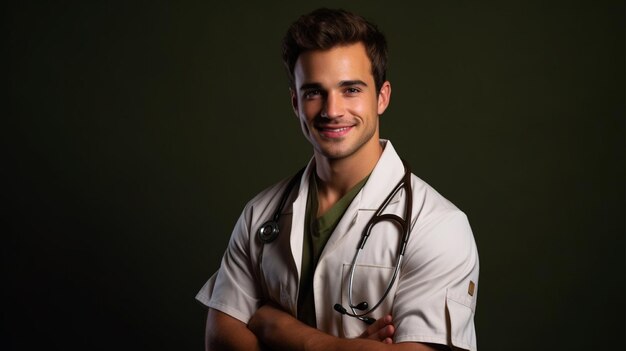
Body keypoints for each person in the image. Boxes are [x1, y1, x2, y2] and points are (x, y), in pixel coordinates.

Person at [196, 8, 479, 351]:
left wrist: (278, 328)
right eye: (314, 92)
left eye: (350, 90)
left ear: (382, 97)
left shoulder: (437, 226)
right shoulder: (261, 213)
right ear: (295, 103)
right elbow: (219, 336)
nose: (332, 110)